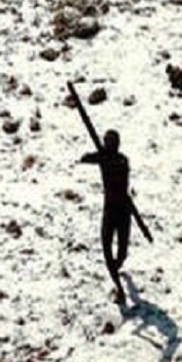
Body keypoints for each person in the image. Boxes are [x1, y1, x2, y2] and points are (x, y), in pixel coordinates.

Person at [78, 129, 132, 304]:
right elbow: (86, 158)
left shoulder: (121, 161)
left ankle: (116, 270)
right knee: (106, 247)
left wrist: (100, 156)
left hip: (122, 210)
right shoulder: (105, 158)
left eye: (110, 142)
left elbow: (102, 160)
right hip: (111, 210)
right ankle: (118, 286)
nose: (108, 145)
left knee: (121, 252)